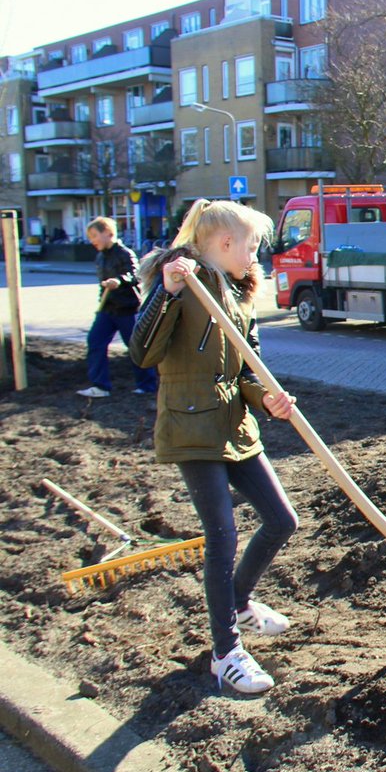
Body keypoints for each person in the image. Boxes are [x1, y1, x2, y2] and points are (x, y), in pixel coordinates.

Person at [130, 199, 299, 695]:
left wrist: (267, 399)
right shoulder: (180, 286)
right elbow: (143, 353)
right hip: (191, 431)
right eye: (252, 247)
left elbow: (248, 369)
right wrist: (165, 293)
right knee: (222, 534)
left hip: (236, 429)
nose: (256, 258)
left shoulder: (241, 294)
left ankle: (239, 604)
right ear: (226, 243)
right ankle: (225, 653)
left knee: (282, 520)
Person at [77, 217, 159, 399]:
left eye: (94, 235)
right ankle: (100, 386)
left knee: (136, 347)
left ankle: (146, 386)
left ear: (108, 233)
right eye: (90, 237)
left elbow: (136, 275)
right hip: (107, 309)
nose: (92, 241)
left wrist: (119, 281)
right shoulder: (100, 257)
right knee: (95, 342)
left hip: (127, 309)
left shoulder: (125, 253)